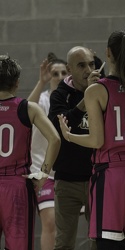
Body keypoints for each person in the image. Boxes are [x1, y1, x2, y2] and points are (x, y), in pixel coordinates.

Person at [58, 30, 125, 250]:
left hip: (113, 173)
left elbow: (97, 141)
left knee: (109, 243)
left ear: (107, 53)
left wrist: (69, 136)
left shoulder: (97, 90)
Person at [0, 55, 60, 250]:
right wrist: (43, 174)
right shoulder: (29, 108)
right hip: (17, 185)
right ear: (17, 82)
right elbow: (55, 139)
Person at [48, 46, 104, 250]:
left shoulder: (102, 89)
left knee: (99, 241)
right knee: (63, 242)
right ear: (70, 70)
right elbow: (62, 127)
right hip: (67, 180)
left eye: (91, 64)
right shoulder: (59, 95)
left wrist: (93, 90)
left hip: (97, 177)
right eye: (81, 65)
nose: (88, 70)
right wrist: (87, 98)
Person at [28, 52, 68, 250]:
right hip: (42, 171)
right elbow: (25, 110)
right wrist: (41, 82)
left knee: (66, 226)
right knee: (50, 221)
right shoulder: (42, 101)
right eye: (55, 73)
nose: (60, 77)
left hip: (67, 173)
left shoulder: (72, 100)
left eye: (63, 73)